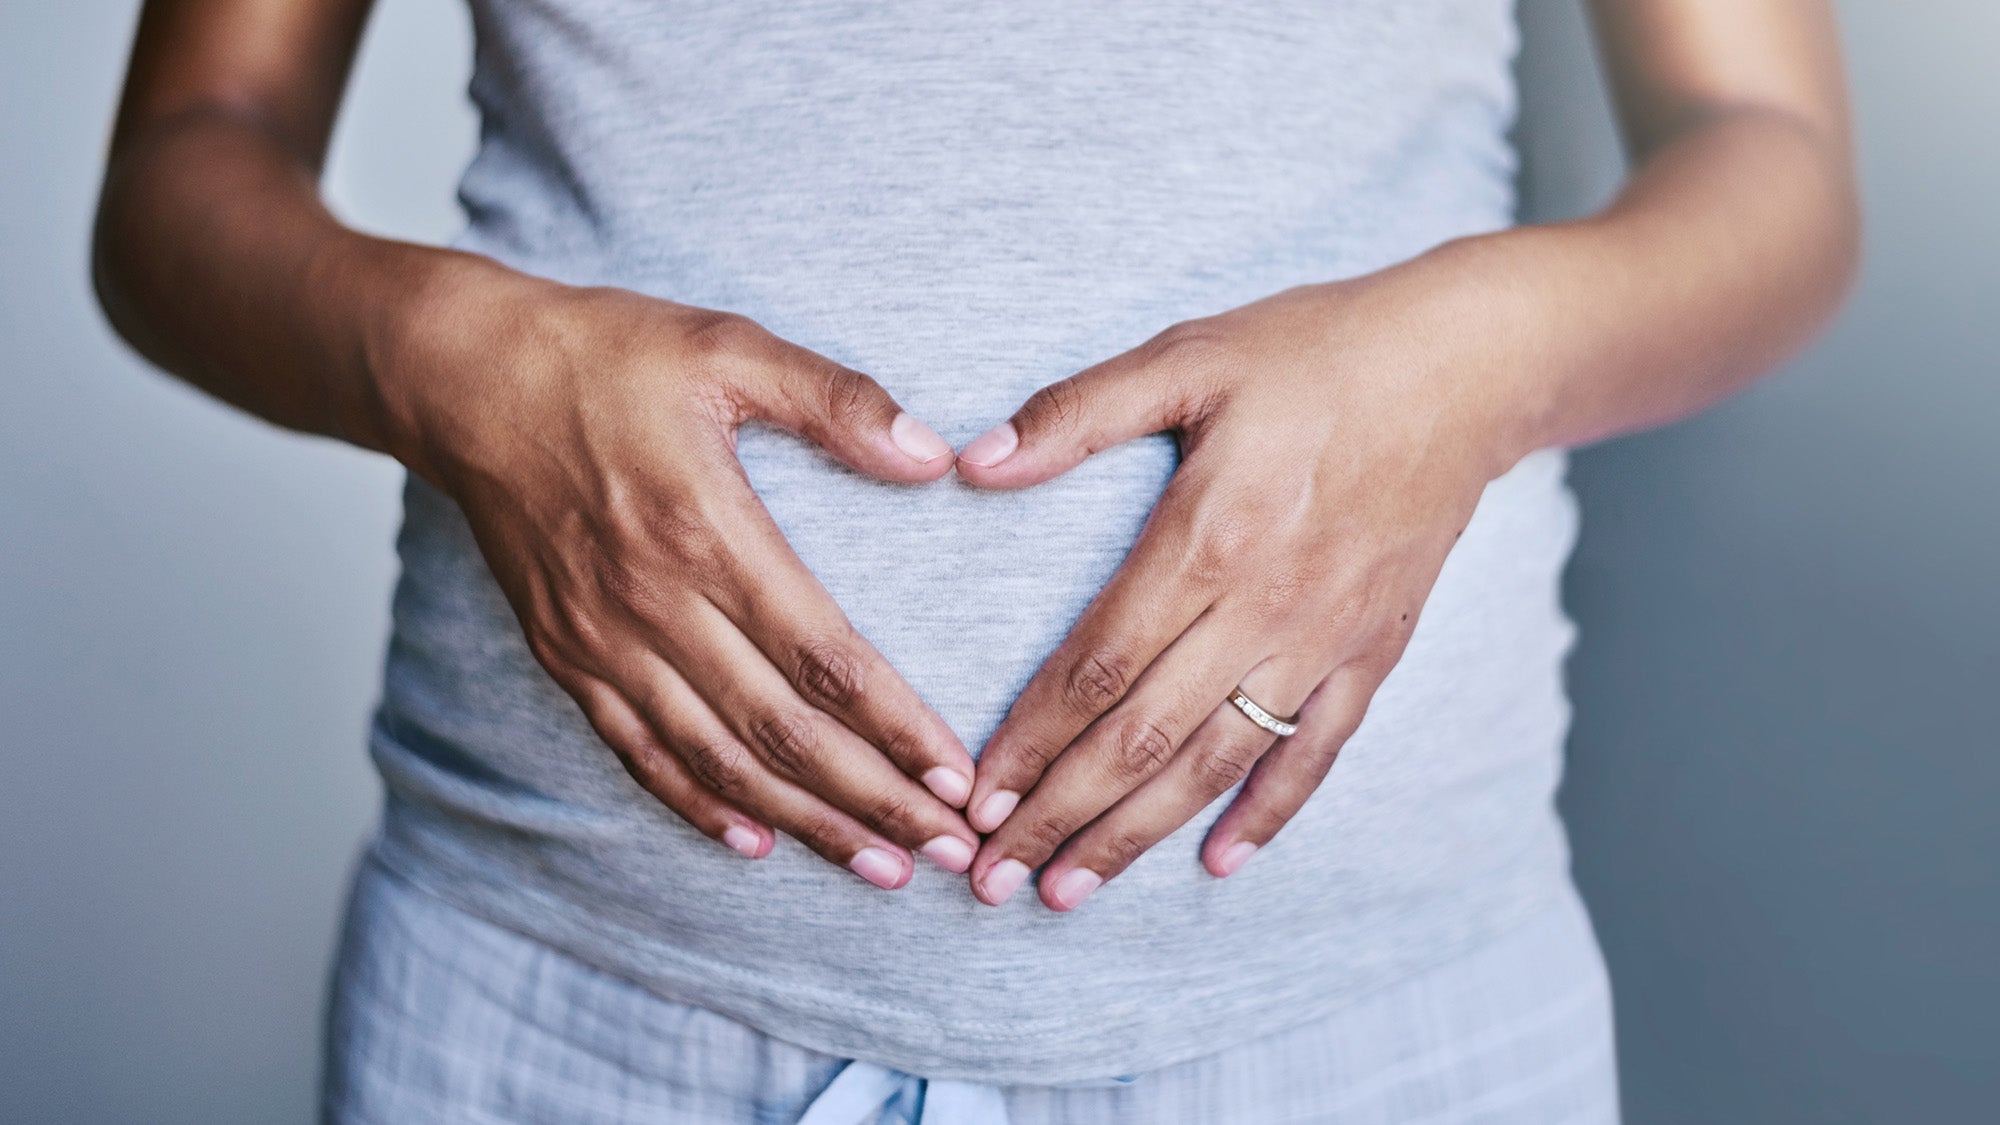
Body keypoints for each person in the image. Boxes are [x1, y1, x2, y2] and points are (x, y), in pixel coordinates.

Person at [93, 1, 1857, 1121]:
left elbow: (1770, 164)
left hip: (1362, 1026)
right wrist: (455, 359)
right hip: (574, 1008)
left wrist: (1479, 362)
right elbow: (186, 166)